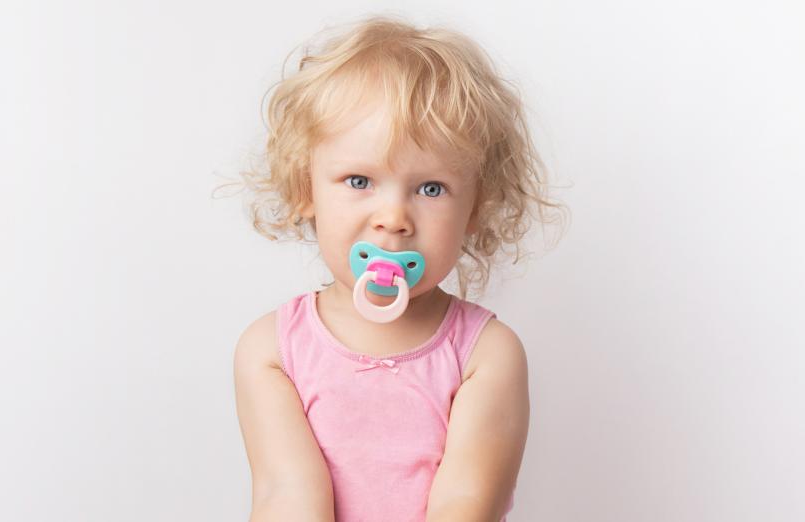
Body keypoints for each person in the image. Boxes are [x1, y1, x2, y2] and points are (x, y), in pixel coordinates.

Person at [225, 14, 567, 522]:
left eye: (430, 189)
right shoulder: (271, 350)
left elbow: (467, 503)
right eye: (359, 180)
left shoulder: (486, 355)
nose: (393, 220)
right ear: (305, 188)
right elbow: (285, 496)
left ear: (474, 209)